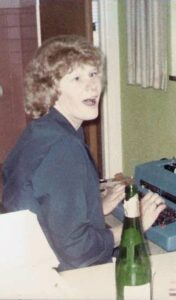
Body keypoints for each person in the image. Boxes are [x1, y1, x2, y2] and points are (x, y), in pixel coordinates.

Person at [2, 35, 166, 271]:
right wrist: (134, 225)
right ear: (51, 90)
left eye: (93, 74)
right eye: (76, 78)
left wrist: (97, 207)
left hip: (30, 261)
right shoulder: (63, 147)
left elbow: (48, 212)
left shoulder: (43, 129)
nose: (92, 86)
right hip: (57, 277)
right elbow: (77, 251)